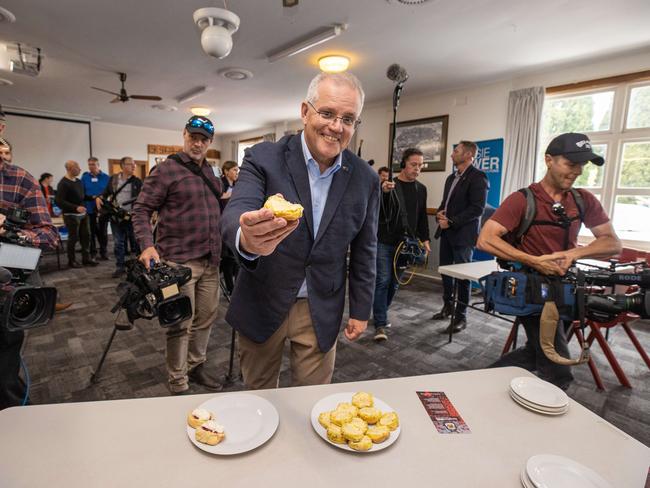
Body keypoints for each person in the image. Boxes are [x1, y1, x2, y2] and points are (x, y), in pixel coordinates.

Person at [221, 72, 379, 389]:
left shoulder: (366, 178)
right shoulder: (264, 157)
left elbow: (366, 249)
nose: (337, 127)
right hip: (265, 297)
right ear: (305, 112)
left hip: (321, 306)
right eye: (327, 113)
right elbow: (236, 212)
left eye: (348, 119)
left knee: (313, 403)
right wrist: (247, 238)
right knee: (259, 399)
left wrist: (361, 309)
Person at [478, 133, 621, 389]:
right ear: (548, 160)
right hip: (533, 291)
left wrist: (573, 254)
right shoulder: (523, 199)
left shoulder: (583, 199)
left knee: (537, 352)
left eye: (581, 165)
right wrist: (533, 260)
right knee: (558, 370)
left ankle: (476, 383)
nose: (576, 171)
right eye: (570, 164)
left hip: (566, 290)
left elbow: (612, 243)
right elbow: (486, 239)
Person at [133, 116, 223, 395]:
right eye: (193, 137)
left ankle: (196, 366)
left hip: (210, 261)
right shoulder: (166, 171)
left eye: (203, 139)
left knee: (206, 318)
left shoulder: (210, 172)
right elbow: (141, 210)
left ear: (209, 142)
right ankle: (178, 380)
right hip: (177, 263)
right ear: (184, 135)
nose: (197, 143)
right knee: (180, 323)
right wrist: (147, 245)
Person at [0, 154, 59, 409]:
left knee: (5, 381)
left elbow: (48, 236)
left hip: (4, 295)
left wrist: (8, 232)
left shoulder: (19, 180)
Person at [372, 148, 430, 341]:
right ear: (403, 164)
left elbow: (422, 217)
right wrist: (383, 192)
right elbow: (376, 212)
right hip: (385, 241)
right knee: (382, 280)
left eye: (420, 165)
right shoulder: (389, 186)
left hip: (407, 245)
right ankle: (380, 323)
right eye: (414, 164)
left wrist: (426, 239)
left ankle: (380, 312)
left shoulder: (421, 189)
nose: (417, 169)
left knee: (394, 284)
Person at [431, 141, 488, 334]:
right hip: (446, 232)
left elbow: (477, 209)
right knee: (446, 272)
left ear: (469, 154)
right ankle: (447, 307)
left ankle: (461, 316)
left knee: (462, 277)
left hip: (463, 235)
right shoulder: (451, 178)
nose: (452, 154)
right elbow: (445, 202)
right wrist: (439, 213)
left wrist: (452, 221)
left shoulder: (478, 177)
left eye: (456, 151)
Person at [99, 157, 142, 277]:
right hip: (116, 217)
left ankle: (138, 267)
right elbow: (105, 193)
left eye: (134, 164)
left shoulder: (137, 181)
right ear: (122, 166)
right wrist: (99, 197)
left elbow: (142, 197)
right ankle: (120, 267)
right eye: (130, 164)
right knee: (118, 243)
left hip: (132, 217)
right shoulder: (113, 180)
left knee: (137, 244)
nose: (134, 166)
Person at [55, 161, 97, 268]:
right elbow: (59, 201)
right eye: (77, 167)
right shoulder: (63, 183)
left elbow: (82, 196)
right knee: (73, 239)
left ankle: (86, 259)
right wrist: (75, 207)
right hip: (71, 215)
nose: (80, 169)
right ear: (70, 168)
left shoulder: (78, 181)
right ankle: (72, 261)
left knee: (86, 237)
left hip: (83, 214)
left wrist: (92, 197)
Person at [81, 157, 110, 260]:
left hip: (103, 210)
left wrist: (101, 198)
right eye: (89, 164)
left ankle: (104, 252)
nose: (91, 166)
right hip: (89, 209)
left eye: (93, 164)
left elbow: (111, 193)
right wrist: (92, 198)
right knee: (91, 232)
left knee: (103, 232)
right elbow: (82, 193)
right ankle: (93, 253)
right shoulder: (84, 178)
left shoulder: (106, 177)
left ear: (98, 165)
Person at [219, 160, 240, 294]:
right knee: (228, 260)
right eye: (234, 170)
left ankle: (237, 287)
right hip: (223, 224)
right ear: (226, 171)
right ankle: (230, 289)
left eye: (237, 170)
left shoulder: (237, 185)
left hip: (235, 223)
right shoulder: (220, 184)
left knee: (237, 260)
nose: (237, 173)